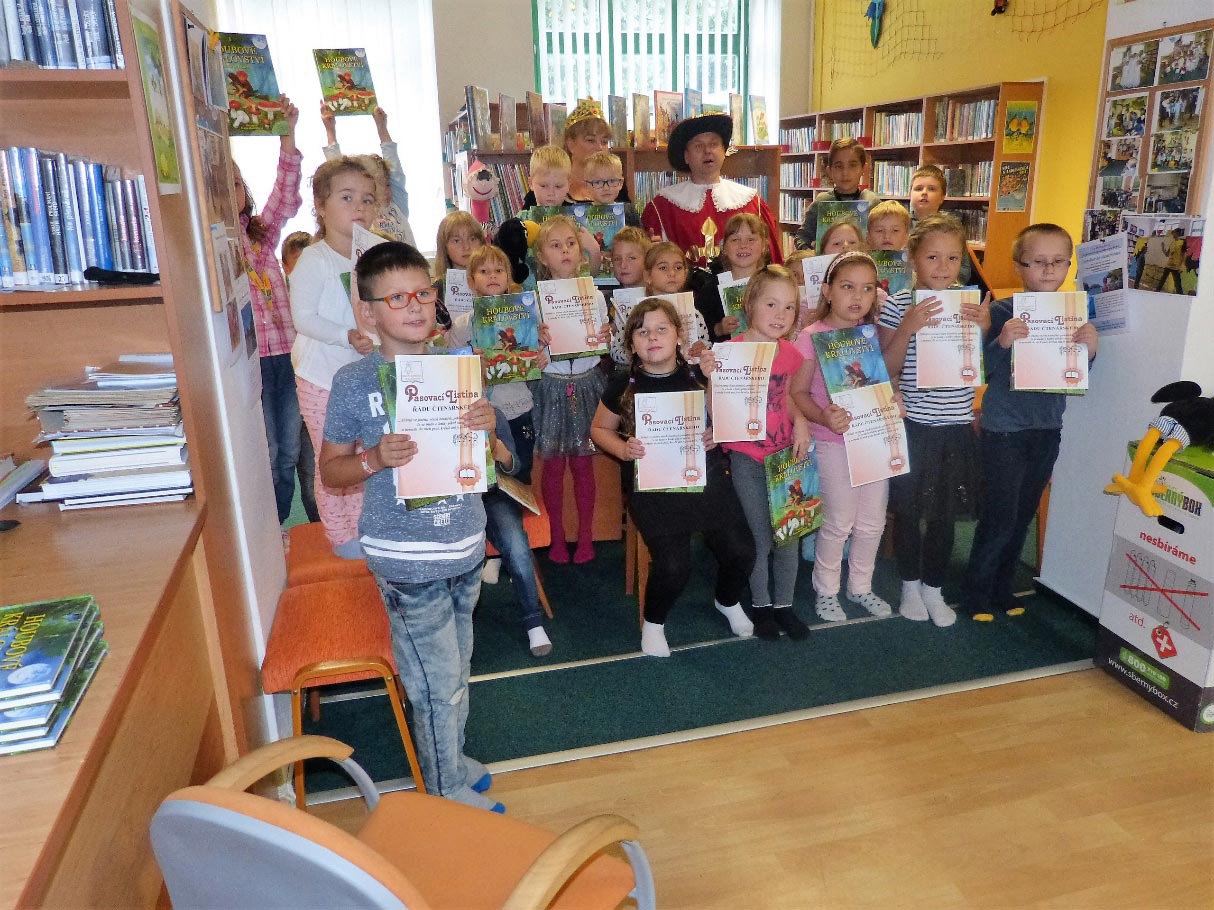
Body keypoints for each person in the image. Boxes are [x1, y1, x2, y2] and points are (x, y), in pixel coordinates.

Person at [320, 240, 503, 813]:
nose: (415, 306)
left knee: (457, 670)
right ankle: (443, 791)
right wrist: (375, 458)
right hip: (406, 560)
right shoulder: (354, 381)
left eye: (422, 292)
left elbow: (491, 461)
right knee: (435, 684)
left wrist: (489, 428)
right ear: (368, 312)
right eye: (396, 298)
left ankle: (452, 762)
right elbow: (330, 470)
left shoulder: (458, 366)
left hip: (465, 545)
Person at [591, 298, 756, 657]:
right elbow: (599, 430)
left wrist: (716, 433)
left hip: (705, 476)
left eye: (661, 329)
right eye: (642, 331)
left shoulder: (699, 375)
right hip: (652, 485)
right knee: (674, 564)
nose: (652, 337)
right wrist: (623, 450)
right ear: (631, 343)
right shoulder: (622, 385)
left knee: (742, 550)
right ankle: (653, 623)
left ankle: (727, 600)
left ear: (679, 335)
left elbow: (724, 418)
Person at [962, 225, 1097, 621]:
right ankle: (976, 593)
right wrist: (1001, 341)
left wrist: (1090, 351)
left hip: (1047, 429)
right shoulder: (1003, 312)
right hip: (1004, 431)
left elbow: (1074, 375)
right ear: (1019, 266)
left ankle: (1002, 588)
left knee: (1022, 516)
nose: (1049, 269)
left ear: (1069, 266)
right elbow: (980, 370)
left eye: (1058, 261)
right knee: (1000, 516)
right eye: (1038, 262)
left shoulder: (1073, 314)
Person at [877, 213, 990, 627]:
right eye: (932, 257)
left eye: (952, 258)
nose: (943, 267)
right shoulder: (898, 304)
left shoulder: (969, 302)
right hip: (913, 427)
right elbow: (885, 368)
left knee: (944, 514)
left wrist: (984, 327)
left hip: (955, 427)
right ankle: (910, 585)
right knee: (909, 511)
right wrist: (907, 327)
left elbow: (977, 363)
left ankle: (934, 587)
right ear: (912, 257)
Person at [446, 243, 553, 657]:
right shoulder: (462, 325)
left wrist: (540, 348)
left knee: (512, 492)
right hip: (468, 433)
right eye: (483, 272)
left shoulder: (525, 315)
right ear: (470, 282)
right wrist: (464, 358)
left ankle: (530, 614)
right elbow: (445, 367)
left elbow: (539, 363)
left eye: (499, 270)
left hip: (514, 416)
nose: (492, 277)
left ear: (509, 277)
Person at [290, 155, 385, 557]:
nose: (358, 206)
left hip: (366, 375)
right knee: (332, 457)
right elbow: (303, 317)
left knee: (367, 453)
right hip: (322, 378)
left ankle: (368, 525)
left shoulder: (378, 251)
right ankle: (342, 535)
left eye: (367, 199)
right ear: (321, 206)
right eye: (347, 197)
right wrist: (346, 335)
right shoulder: (315, 259)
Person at [792, 251, 894, 621]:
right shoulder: (811, 336)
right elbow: (797, 392)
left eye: (867, 289)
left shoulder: (871, 334)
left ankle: (861, 586)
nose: (857, 296)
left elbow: (883, 382)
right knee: (838, 522)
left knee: (872, 522)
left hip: (873, 440)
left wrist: (893, 399)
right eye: (848, 287)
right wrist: (823, 416)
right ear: (828, 291)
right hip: (831, 442)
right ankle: (826, 590)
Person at [716, 266, 813, 639]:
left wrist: (800, 420)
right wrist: (710, 372)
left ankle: (784, 605)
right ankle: (760, 606)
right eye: (771, 304)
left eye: (789, 308)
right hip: (747, 459)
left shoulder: (789, 354)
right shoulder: (731, 352)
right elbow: (716, 404)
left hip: (784, 456)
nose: (780, 315)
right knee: (758, 536)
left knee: (789, 533)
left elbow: (784, 395)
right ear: (749, 305)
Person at [233, 95, 303, 532]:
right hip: (253, 363)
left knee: (290, 453)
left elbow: (285, 195)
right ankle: (270, 530)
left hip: (287, 358)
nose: (232, 191)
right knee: (270, 451)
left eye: (236, 182)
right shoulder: (216, 244)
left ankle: (278, 526)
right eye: (222, 184)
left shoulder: (261, 235)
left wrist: (286, 133)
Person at [531, 215, 611, 564]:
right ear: (542, 257)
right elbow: (528, 353)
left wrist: (606, 335)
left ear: (580, 252)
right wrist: (536, 342)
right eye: (555, 245)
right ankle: (557, 537)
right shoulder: (533, 301)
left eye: (570, 244)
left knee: (582, 464)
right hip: (551, 386)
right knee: (552, 466)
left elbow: (605, 342)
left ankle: (587, 536)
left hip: (588, 384)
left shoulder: (594, 295)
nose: (564, 250)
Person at [641, 113, 782, 268]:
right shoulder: (662, 207)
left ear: (724, 152)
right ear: (686, 156)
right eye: (698, 146)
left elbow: (773, 263)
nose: (707, 151)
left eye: (714, 144)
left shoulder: (753, 203)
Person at [320, 102, 416, 246]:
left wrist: (381, 126)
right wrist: (330, 130)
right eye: (380, 185)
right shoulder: (361, 214)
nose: (388, 189)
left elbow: (395, 167)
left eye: (388, 183)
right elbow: (338, 174)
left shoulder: (397, 205)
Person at [281, 231, 320, 524]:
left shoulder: (324, 299)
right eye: (296, 265)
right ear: (284, 267)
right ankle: (315, 529)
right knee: (294, 462)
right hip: (291, 389)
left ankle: (326, 528)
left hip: (318, 391)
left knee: (317, 467)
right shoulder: (278, 301)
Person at [522, 99, 629, 206]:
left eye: (604, 142)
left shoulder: (613, 183)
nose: (599, 147)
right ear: (570, 144)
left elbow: (628, 214)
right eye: (590, 140)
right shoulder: (545, 185)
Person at [692, 212, 773, 342]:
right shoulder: (711, 290)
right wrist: (719, 329)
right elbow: (698, 331)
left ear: (764, 246)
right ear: (724, 247)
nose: (743, 245)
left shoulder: (775, 283)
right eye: (735, 240)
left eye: (751, 239)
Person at [794, 138, 881, 251]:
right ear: (829, 171)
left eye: (852, 165)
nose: (845, 173)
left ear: (863, 169)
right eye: (839, 166)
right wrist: (809, 253)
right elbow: (802, 237)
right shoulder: (822, 202)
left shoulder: (872, 202)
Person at [643, 241, 711, 357]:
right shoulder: (637, 313)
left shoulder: (693, 314)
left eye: (678, 267)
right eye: (663, 268)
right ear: (647, 275)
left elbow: (706, 345)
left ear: (685, 273)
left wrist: (702, 349)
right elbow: (621, 354)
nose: (672, 273)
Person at [605, 226, 652, 371]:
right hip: (619, 372)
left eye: (632, 258)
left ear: (647, 260)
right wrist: (607, 335)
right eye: (617, 259)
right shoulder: (606, 302)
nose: (623, 265)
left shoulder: (657, 299)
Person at [433, 210, 485, 325]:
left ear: (482, 243)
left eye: (472, 239)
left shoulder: (494, 281)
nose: (466, 247)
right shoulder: (437, 290)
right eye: (456, 241)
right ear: (445, 247)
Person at [1156, 227, 1186, 293]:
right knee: (1162, 280)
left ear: (1177, 233)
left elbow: (1184, 256)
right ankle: (1156, 291)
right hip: (1169, 265)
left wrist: (1182, 267)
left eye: (1174, 233)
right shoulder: (1172, 243)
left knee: (1178, 284)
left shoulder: (1182, 242)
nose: (1173, 234)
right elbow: (1167, 254)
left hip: (1176, 267)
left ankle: (1180, 295)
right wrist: (1163, 248)